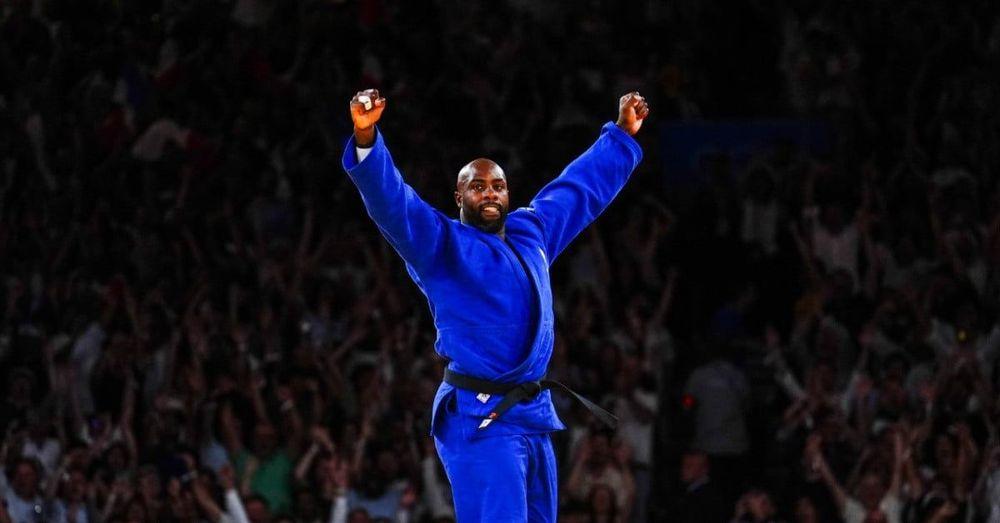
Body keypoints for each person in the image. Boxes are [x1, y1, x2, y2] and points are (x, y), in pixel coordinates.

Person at [342, 87, 648, 521]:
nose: (490, 193)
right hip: (481, 417)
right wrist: (367, 137)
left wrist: (620, 135)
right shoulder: (443, 246)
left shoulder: (531, 232)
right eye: (478, 186)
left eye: (498, 186)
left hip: (533, 415)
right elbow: (396, 207)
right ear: (459, 197)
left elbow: (577, 190)